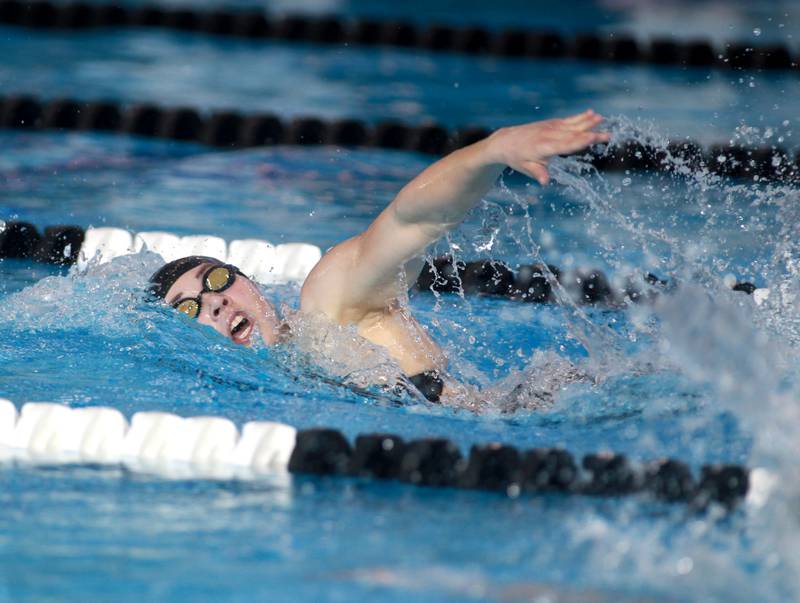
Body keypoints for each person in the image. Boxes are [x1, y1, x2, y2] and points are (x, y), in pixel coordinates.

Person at [149, 110, 609, 403]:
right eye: (188, 308)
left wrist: (491, 152)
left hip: (549, 405)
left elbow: (409, 222)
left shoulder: (329, 305)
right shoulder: (264, 389)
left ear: (248, 281)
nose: (214, 302)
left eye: (215, 281)